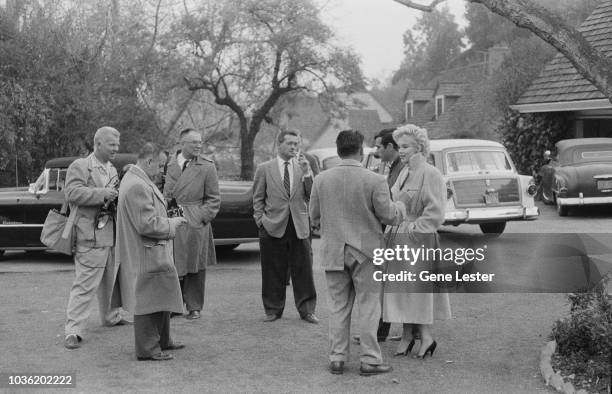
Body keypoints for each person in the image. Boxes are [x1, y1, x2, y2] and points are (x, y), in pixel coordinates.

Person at [309, 129, 406, 376]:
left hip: (333, 250)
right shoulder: (375, 180)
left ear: (338, 150)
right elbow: (389, 215)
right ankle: (370, 360)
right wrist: (402, 206)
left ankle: (337, 358)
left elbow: (314, 215)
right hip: (367, 252)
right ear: (360, 151)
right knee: (369, 307)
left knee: (338, 307)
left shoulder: (321, 179)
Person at [382, 124, 452, 359]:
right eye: (399, 146)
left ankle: (424, 337)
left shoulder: (430, 173)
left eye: (405, 146)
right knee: (402, 291)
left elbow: (435, 213)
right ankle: (407, 336)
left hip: (418, 241)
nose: (400, 150)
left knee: (416, 291)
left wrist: (413, 231)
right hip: (399, 238)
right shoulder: (403, 172)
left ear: (419, 147)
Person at [116, 143, 188, 361]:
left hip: (152, 250)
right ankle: (148, 349)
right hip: (147, 252)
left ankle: (163, 340)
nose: (161, 171)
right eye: (160, 165)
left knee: (162, 295)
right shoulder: (138, 185)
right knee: (148, 300)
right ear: (148, 161)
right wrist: (171, 224)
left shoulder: (138, 180)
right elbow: (147, 224)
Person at [63, 126, 132, 350]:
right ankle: (73, 330)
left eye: (117, 144)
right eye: (112, 144)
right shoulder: (80, 166)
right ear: (98, 143)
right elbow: (72, 193)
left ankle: (111, 317)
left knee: (110, 281)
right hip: (89, 236)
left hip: (110, 234)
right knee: (85, 285)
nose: (116, 148)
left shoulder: (112, 169)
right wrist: (102, 194)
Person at [252, 130, 318, 324]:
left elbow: (313, 196)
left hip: (299, 225)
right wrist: (260, 220)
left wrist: (307, 173)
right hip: (272, 225)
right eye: (289, 143)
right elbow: (257, 198)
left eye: (296, 144)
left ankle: (307, 310)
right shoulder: (265, 168)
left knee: (304, 270)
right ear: (279, 144)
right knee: (272, 270)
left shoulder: (304, 166)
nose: (294, 147)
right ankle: (273, 309)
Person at [163, 129, 220, 320]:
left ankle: (195, 305)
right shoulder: (167, 163)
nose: (198, 145)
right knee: (172, 262)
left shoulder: (207, 166)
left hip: (195, 220)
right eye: (193, 142)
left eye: (200, 142)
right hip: (171, 219)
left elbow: (214, 199)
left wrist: (201, 217)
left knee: (196, 263)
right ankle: (174, 304)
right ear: (181, 143)